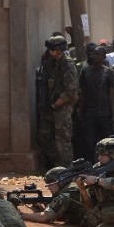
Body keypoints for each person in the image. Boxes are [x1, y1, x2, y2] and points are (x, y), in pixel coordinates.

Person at [38, 34, 78, 168]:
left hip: (62, 108)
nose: (50, 52)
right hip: (52, 106)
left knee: (63, 140)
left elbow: (71, 93)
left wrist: (56, 104)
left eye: (52, 49)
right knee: (43, 136)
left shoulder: (68, 65)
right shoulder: (53, 63)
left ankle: (67, 168)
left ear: (59, 50)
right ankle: (58, 163)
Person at [78, 46, 114, 162]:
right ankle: (89, 169)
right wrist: (80, 113)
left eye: (97, 54)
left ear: (103, 57)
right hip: (89, 115)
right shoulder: (85, 72)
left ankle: (108, 170)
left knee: (107, 145)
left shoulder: (109, 72)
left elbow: (112, 96)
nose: (93, 56)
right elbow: (82, 94)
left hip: (105, 115)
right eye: (93, 54)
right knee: (89, 144)